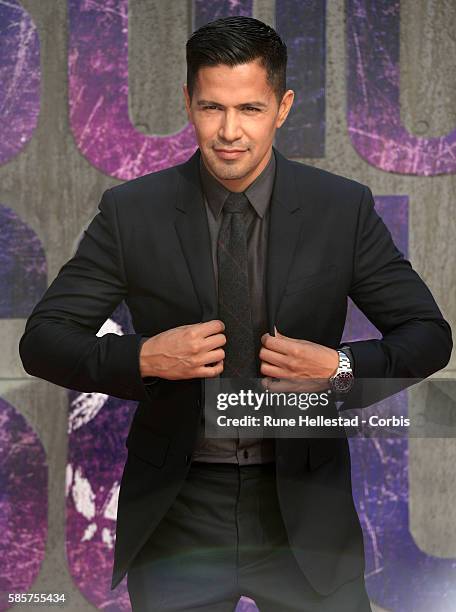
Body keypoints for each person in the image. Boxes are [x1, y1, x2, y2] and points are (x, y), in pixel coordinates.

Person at [19, 15, 452, 612]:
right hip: (178, 512)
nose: (229, 131)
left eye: (249, 108)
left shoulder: (340, 209)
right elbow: (41, 340)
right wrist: (144, 357)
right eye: (210, 107)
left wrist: (342, 369)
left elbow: (429, 335)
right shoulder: (131, 213)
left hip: (304, 512)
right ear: (187, 103)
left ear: (282, 106)